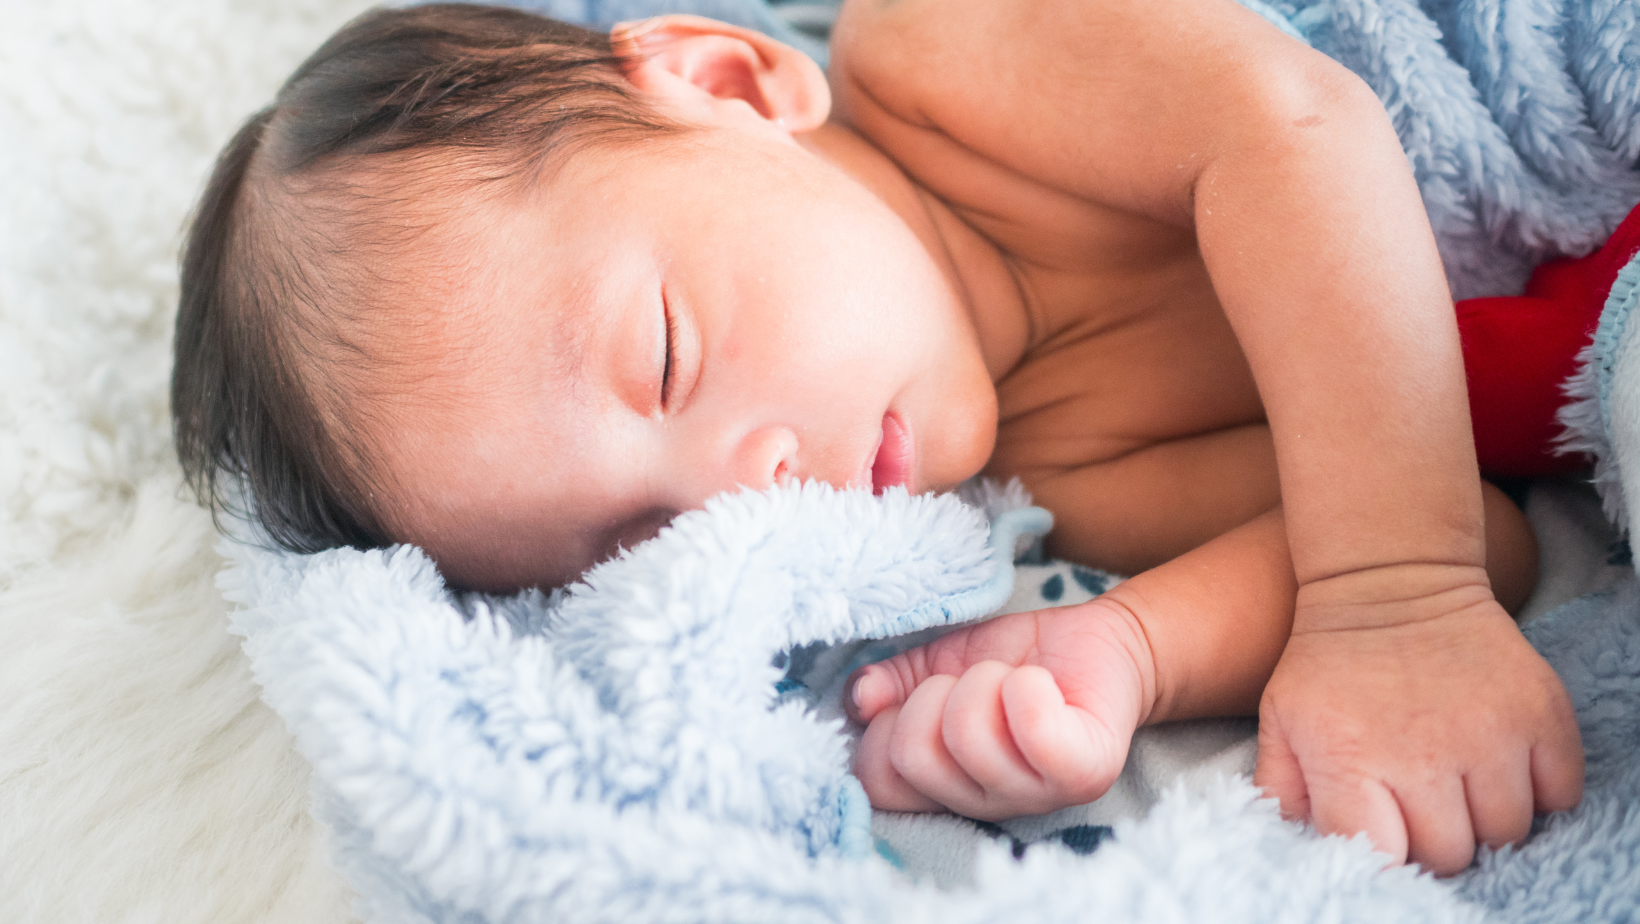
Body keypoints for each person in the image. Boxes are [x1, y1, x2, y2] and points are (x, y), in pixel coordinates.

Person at [172, 0, 1622, 876]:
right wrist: (1126, 655)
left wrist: (1393, 599)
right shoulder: (1053, 476)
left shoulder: (950, 51)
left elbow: (1297, 126)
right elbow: (1477, 520)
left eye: (667, 357)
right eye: (640, 536)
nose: (741, 487)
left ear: (733, 86)